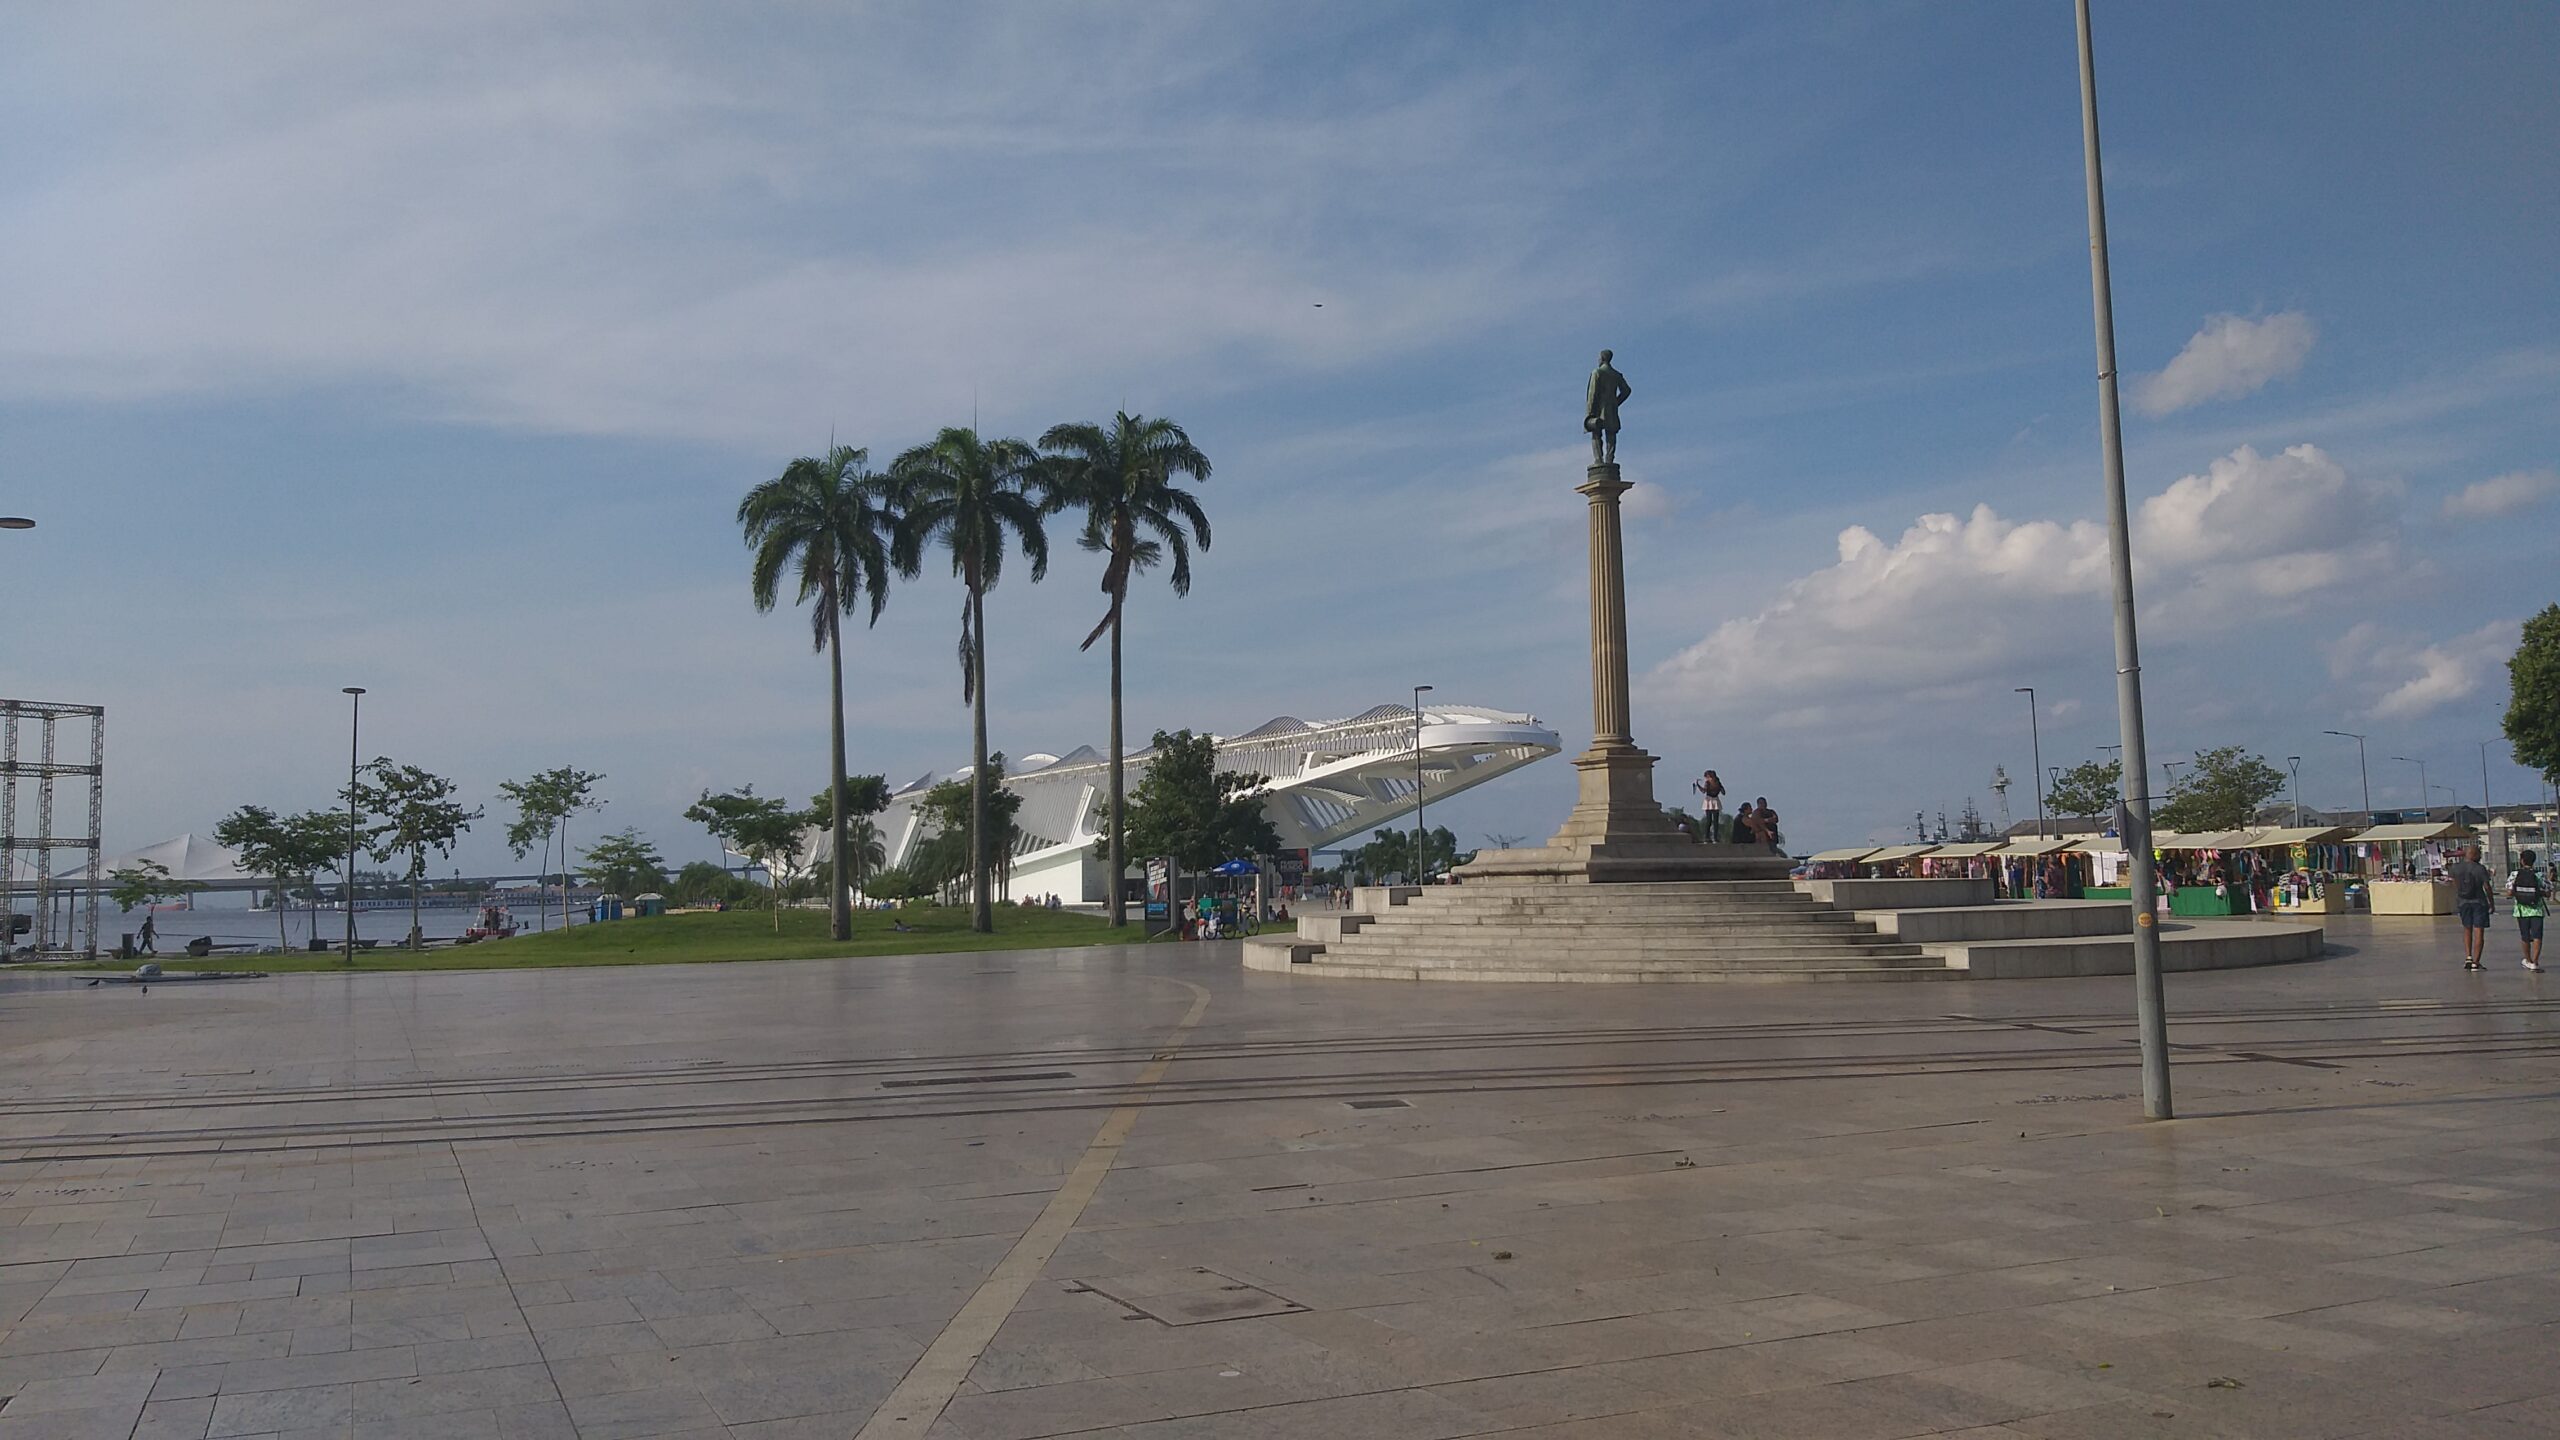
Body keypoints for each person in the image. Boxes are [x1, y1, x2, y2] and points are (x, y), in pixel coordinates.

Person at [2446, 844, 2495, 971]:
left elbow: (2454, 884)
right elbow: (2487, 887)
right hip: (2479, 902)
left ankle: (2468, 957)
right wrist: (2491, 903)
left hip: (2463, 902)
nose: (2479, 857)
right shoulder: (2480, 868)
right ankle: (2476, 962)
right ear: (2473, 854)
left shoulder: (2455, 868)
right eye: (2478, 854)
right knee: (2479, 931)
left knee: (2467, 929)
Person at [2510, 849, 2546, 973]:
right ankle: (2535, 962)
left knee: (2525, 936)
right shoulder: (2539, 875)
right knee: (2537, 936)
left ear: (2521, 860)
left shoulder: (2515, 874)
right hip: (2536, 910)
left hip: (2521, 910)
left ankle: (2528, 960)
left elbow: (2509, 891)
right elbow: (2548, 891)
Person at [1691, 770, 1725, 843]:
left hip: (1714, 800)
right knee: (1709, 821)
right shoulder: (1709, 783)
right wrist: (1698, 785)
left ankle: (1714, 837)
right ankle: (1707, 837)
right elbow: (1704, 791)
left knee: (1715, 821)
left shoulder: (1717, 783)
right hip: (1709, 800)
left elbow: (1723, 792)